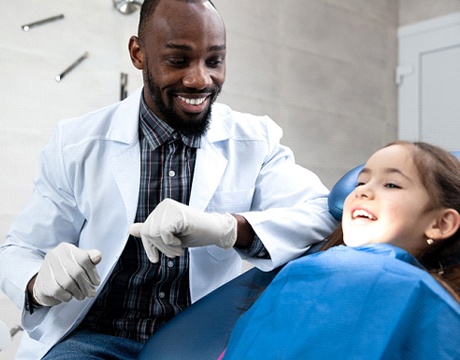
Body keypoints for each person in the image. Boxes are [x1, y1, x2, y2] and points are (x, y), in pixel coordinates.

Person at [0, 0, 337, 359]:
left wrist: (227, 228)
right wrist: (39, 282)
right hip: (92, 339)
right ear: (138, 53)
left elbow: (323, 214)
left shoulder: (255, 139)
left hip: (198, 341)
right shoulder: (76, 141)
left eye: (214, 61)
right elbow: (19, 249)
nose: (199, 80)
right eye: (178, 61)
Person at [221, 141, 460, 360]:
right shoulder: (302, 271)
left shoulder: (421, 295)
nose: (362, 192)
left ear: (441, 224)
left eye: (391, 184)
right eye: (361, 183)